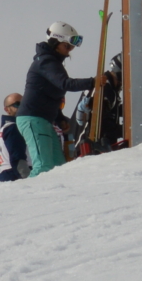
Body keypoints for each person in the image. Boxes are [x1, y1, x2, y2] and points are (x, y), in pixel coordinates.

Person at [18, 21, 95, 174]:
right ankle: (30, 189)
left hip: (43, 120)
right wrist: (94, 82)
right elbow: (65, 83)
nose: (69, 51)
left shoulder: (51, 62)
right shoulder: (45, 61)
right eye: (67, 46)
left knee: (58, 168)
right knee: (43, 167)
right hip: (33, 118)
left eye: (71, 47)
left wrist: (59, 118)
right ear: (55, 43)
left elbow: (50, 94)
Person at [0, 92, 29, 181]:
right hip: (15, 176)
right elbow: (17, 157)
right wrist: (28, 180)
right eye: (17, 104)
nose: (22, 106)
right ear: (7, 109)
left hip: (7, 175)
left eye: (24, 103)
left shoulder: (4, 128)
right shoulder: (13, 128)